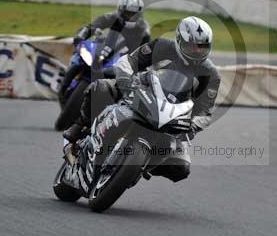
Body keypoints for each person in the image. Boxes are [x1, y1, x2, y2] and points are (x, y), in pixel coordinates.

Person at [63, 16, 220, 183]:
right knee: (101, 87)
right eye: (191, 46)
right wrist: (125, 80)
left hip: (175, 119)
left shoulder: (211, 74)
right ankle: (77, 129)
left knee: (180, 168)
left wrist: (193, 126)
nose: (197, 51)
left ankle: (140, 167)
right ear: (179, 40)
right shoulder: (162, 46)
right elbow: (130, 61)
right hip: (142, 90)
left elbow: (205, 111)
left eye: (202, 47)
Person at [58, 0, 151, 104]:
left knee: (130, 82)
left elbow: (144, 50)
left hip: (121, 58)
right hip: (103, 51)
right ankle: (64, 85)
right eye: (127, 13)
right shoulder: (111, 17)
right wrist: (81, 36)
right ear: (120, 10)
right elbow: (91, 26)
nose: (130, 17)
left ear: (139, 14)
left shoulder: (143, 29)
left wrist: (139, 63)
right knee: (79, 57)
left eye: (133, 14)